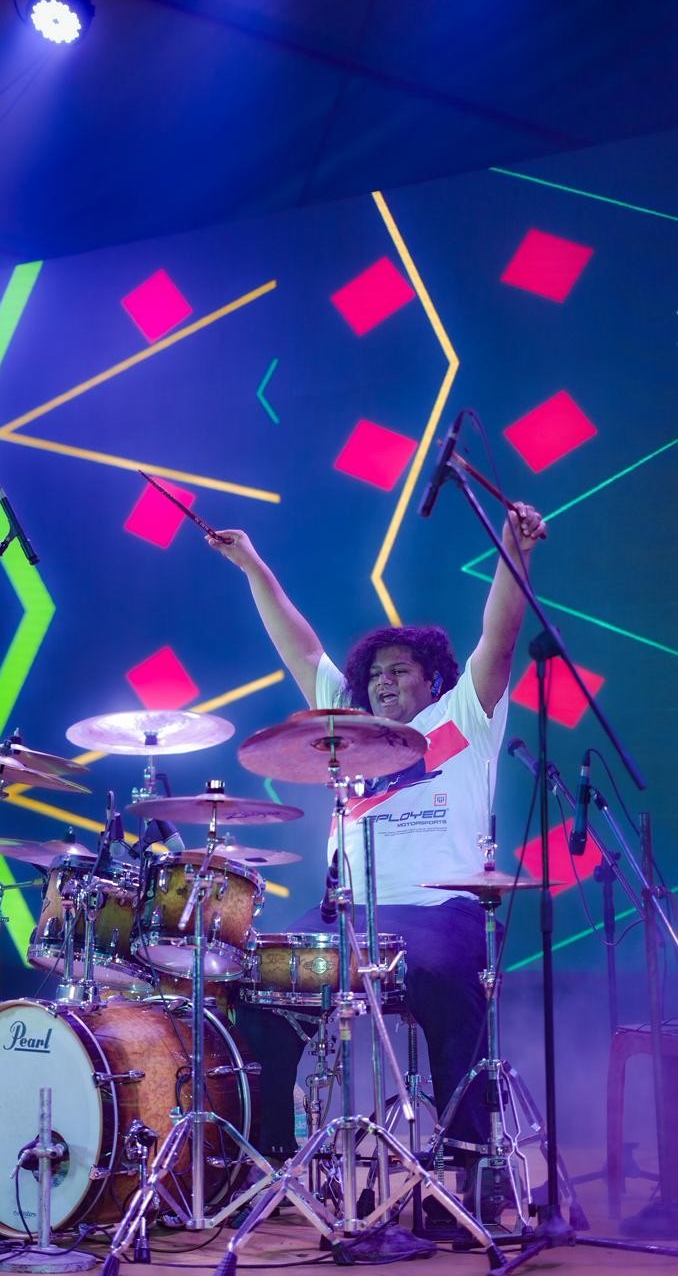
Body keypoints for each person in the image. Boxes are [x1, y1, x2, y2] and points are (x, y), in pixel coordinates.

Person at [207, 501, 546, 1202]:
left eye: (399, 670)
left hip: (442, 911)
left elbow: (502, 635)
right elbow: (300, 648)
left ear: (434, 679)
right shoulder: (347, 731)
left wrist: (517, 551)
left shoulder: (464, 717)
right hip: (345, 914)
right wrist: (253, 567)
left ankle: (471, 1171)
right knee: (255, 977)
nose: (382, 683)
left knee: (451, 984)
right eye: (375, 676)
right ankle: (269, 1160)